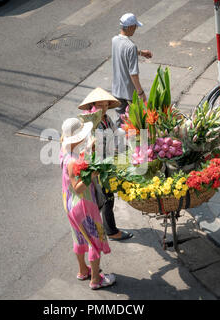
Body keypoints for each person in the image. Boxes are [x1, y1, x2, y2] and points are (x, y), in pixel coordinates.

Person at [60, 117, 116, 289]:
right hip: (84, 204)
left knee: (79, 237)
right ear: (77, 139)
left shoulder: (65, 151)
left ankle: (83, 270)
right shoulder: (73, 162)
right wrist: (93, 174)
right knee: (95, 240)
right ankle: (95, 279)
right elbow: (78, 187)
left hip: (69, 203)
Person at [78, 88, 133, 241]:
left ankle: (97, 226)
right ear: (93, 106)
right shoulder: (90, 123)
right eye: (99, 105)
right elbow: (90, 146)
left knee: (101, 197)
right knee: (107, 197)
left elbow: (117, 133)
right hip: (96, 164)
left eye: (105, 104)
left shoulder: (106, 118)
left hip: (107, 161)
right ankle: (111, 231)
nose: (103, 107)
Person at [112, 13, 153, 128]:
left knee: (120, 122)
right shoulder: (131, 46)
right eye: (135, 26)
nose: (135, 29)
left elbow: (123, 51)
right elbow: (133, 73)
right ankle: (135, 145)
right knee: (135, 123)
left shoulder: (114, 40)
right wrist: (140, 92)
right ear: (130, 27)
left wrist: (140, 52)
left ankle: (117, 144)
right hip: (130, 94)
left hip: (117, 90)